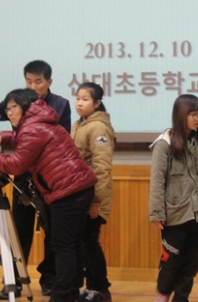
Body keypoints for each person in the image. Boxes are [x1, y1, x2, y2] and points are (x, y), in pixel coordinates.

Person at [0, 88, 97, 302]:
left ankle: (62, 296)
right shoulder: (40, 121)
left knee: (63, 245)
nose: (9, 112)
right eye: (7, 108)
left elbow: (16, 165)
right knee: (72, 244)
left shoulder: (31, 129)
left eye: (14, 107)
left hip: (67, 190)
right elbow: (23, 138)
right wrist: (3, 137)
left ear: (26, 107)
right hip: (79, 187)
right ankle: (71, 293)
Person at [0, 59, 70, 298]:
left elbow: (60, 137)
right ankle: (13, 281)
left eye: (38, 81)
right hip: (22, 176)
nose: (33, 86)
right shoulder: (18, 100)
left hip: (48, 177)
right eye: (29, 81)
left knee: (52, 232)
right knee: (18, 230)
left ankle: (50, 279)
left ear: (49, 81)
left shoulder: (60, 104)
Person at [148, 94, 198, 302]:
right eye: (193, 114)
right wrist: (156, 212)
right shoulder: (164, 144)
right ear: (180, 115)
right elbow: (157, 180)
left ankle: (181, 298)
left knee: (191, 263)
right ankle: (162, 296)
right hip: (175, 214)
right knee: (171, 261)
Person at [71, 83, 116, 302]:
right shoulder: (79, 124)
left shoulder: (98, 128)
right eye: (78, 98)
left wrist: (96, 200)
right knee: (84, 242)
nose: (79, 103)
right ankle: (92, 287)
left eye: (85, 99)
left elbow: (101, 167)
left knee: (89, 242)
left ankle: (100, 288)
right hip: (79, 194)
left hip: (92, 197)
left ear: (97, 103)